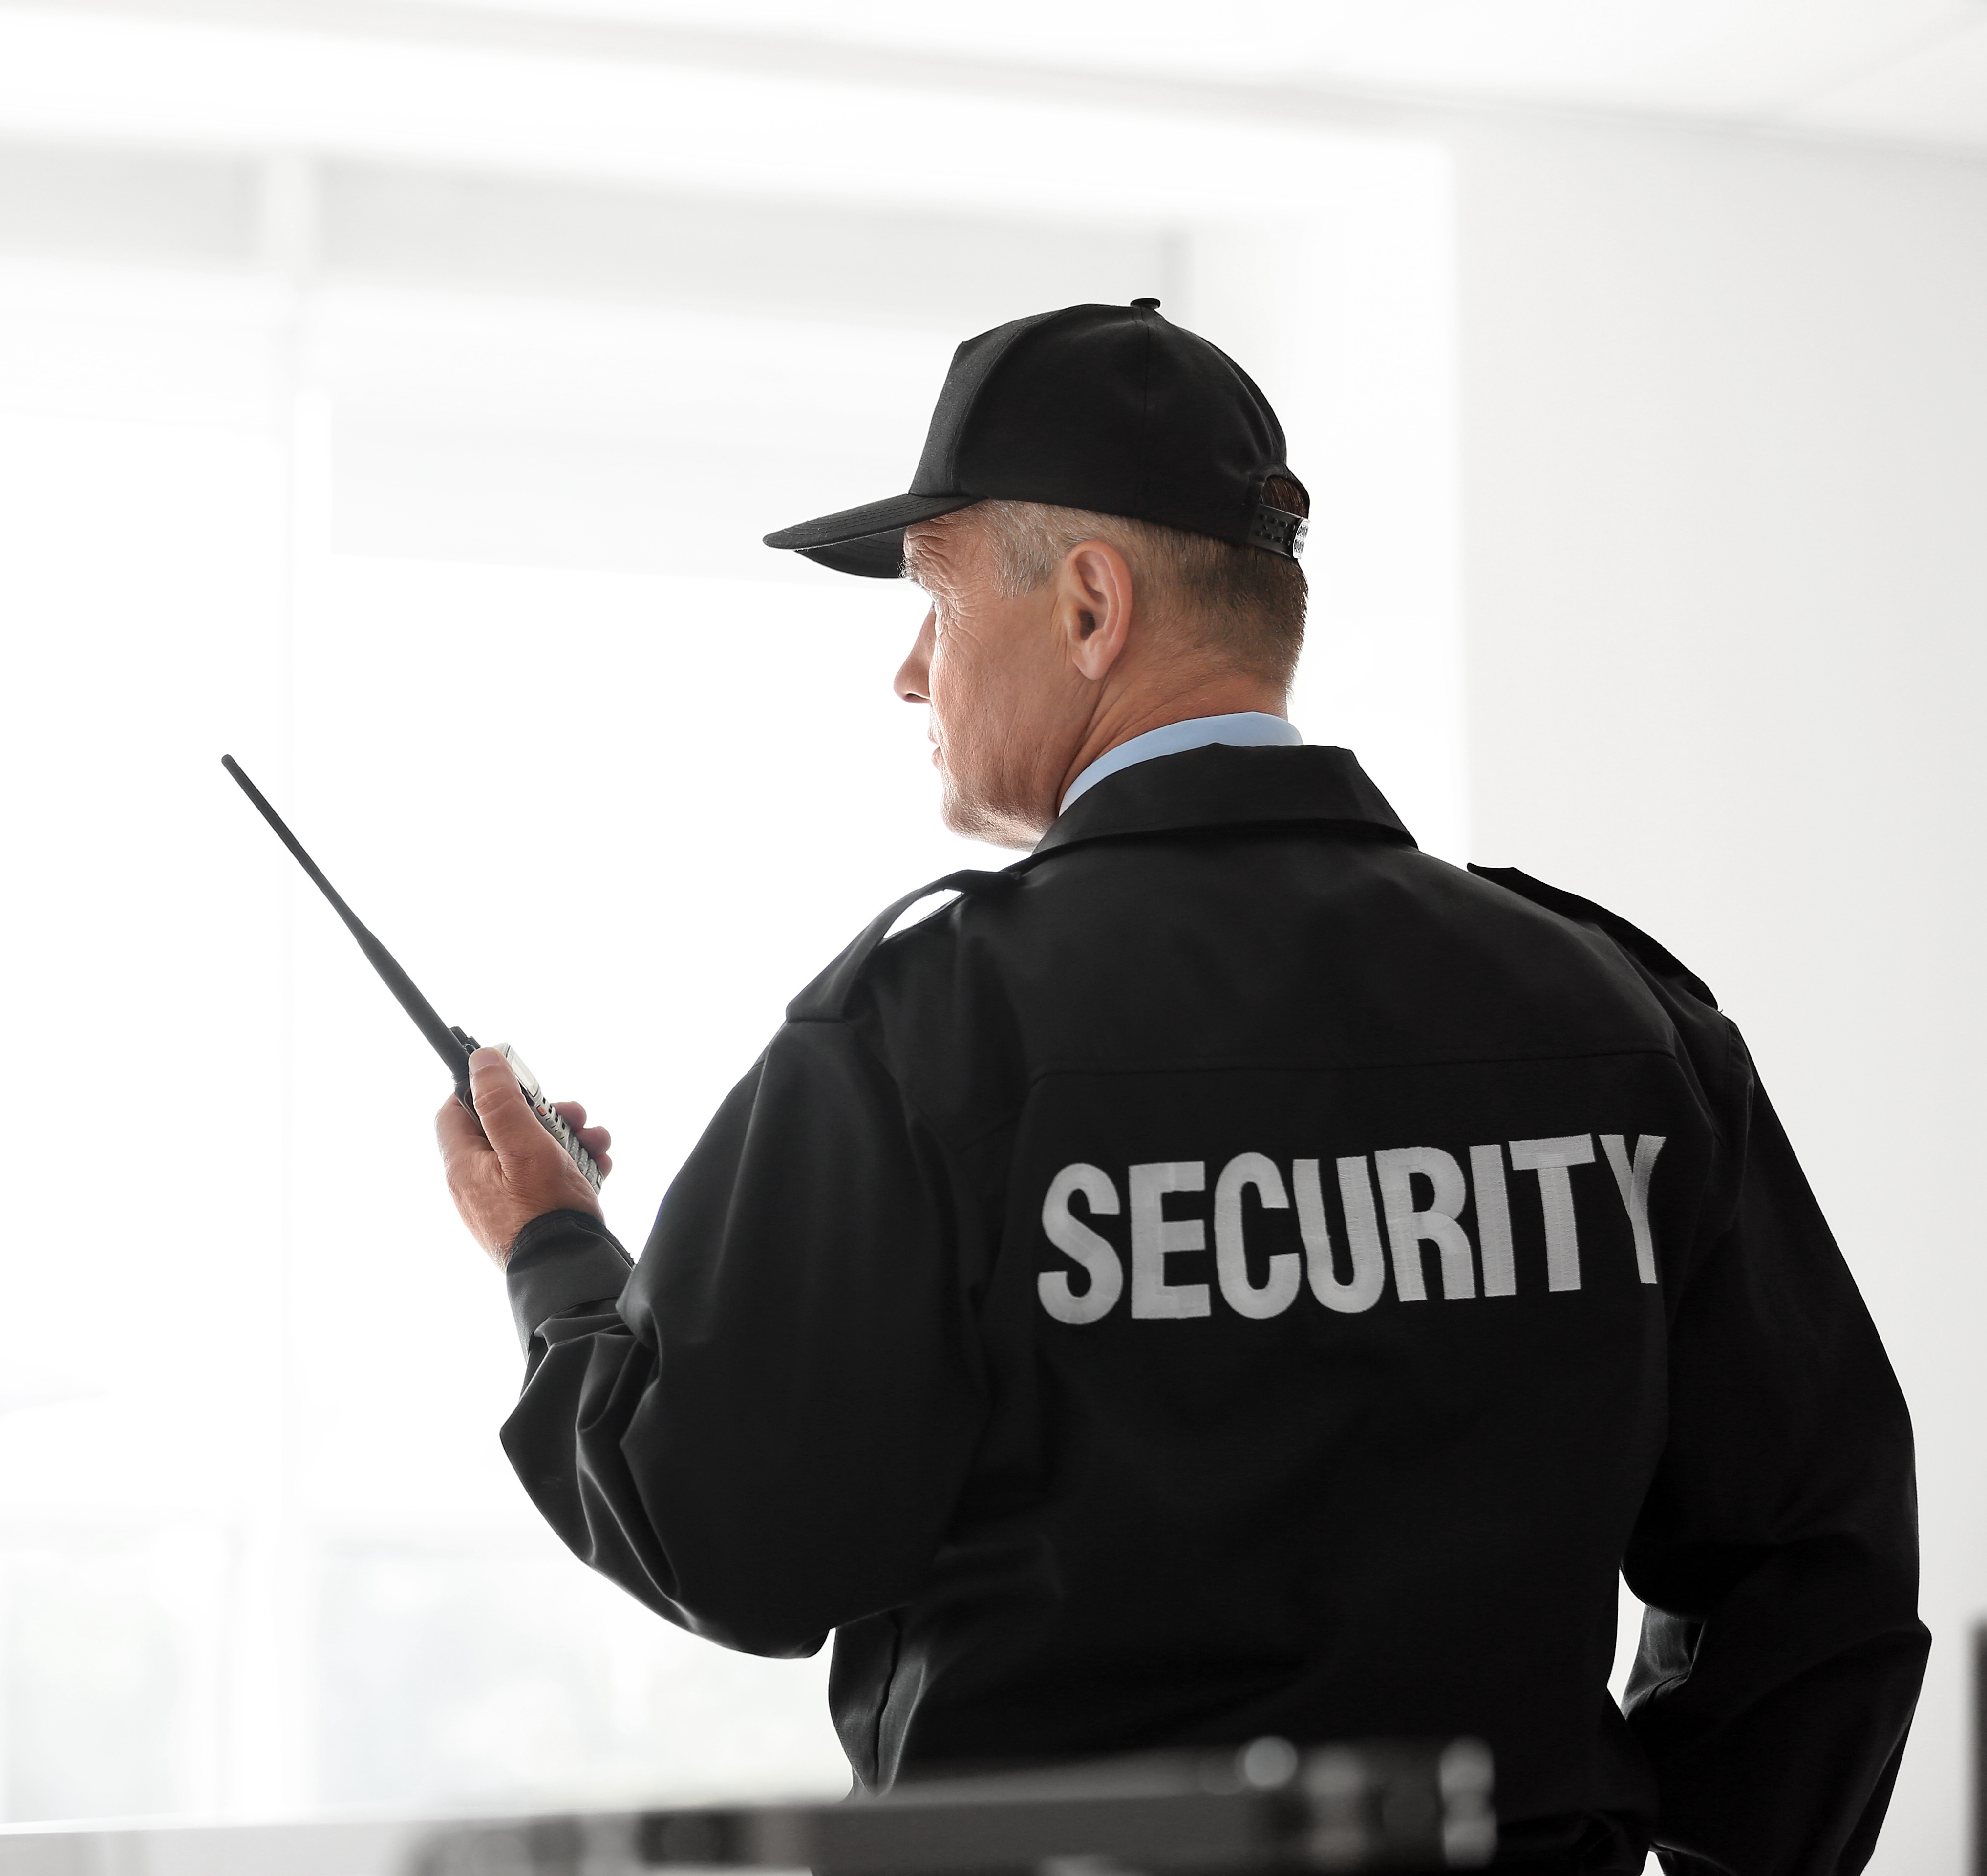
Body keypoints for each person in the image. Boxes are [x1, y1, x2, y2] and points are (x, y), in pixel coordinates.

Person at [431, 301, 1925, 1876]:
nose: (907, 671)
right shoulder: (1616, 1014)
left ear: (1091, 603)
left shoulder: (922, 1032)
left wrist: (557, 1257)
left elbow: (730, 1541)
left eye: (933, 601)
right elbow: (1814, 1569)